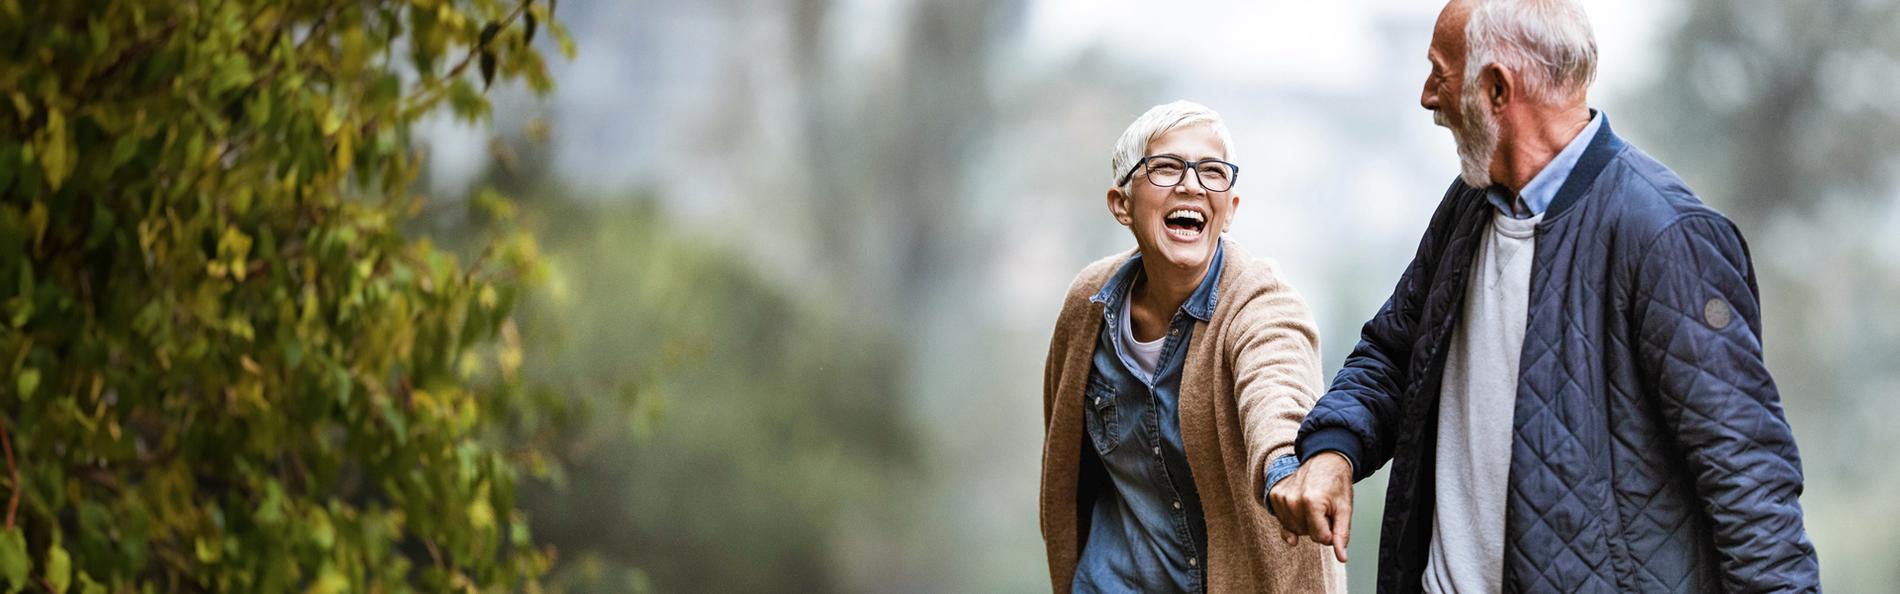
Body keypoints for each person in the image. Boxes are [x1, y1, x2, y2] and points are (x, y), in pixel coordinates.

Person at [1267, 1, 1822, 592]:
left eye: (1440, 73)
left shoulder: (1666, 236)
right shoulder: (1469, 205)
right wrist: (1334, 451)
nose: (1427, 97)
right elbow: (1393, 355)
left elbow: (1749, 489)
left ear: (1498, 89)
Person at [1039, 100, 1345, 593]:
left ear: (1230, 212)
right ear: (1121, 204)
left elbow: (1277, 388)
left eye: (1211, 171)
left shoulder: (1262, 302)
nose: (1191, 184)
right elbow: (1063, 455)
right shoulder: (1087, 305)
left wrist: (1286, 467)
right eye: (1165, 167)